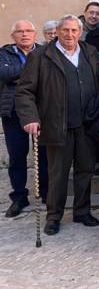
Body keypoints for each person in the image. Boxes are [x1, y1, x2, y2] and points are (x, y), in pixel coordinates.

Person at [16, 15, 99, 235]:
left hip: (87, 125)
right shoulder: (41, 56)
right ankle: (54, 216)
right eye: (65, 30)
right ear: (57, 31)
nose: (70, 35)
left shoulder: (90, 52)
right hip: (57, 124)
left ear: (80, 31)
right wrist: (30, 118)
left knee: (85, 171)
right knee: (58, 174)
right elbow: (25, 91)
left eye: (74, 30)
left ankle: (82, 211)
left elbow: (98, 83)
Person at [0, 21, 48, 217]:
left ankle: (45, 193)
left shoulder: (45, 51)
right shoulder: (4, 53)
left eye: (28, 31)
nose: (24, 34)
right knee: (17, 156)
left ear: (35, 34)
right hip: (13, 112)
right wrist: (32, 69)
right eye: (20, 31)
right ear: (13, 36)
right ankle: (19, 197)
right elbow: (5, 74)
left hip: (41, 110)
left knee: (44, 155)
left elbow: (49, 76)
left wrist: (20, 73)